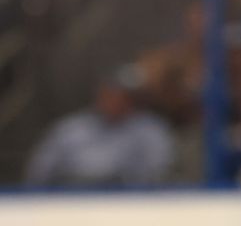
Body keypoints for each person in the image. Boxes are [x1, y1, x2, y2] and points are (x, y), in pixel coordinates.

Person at [25, 65, 175, 188]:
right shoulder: (70, 129)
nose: (115, 101)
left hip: (131, 208)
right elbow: (39, 173)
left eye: (123, 95)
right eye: (110, 94)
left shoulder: (151, 131)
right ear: (100, 95)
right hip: (70, 205)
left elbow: (161, 174)